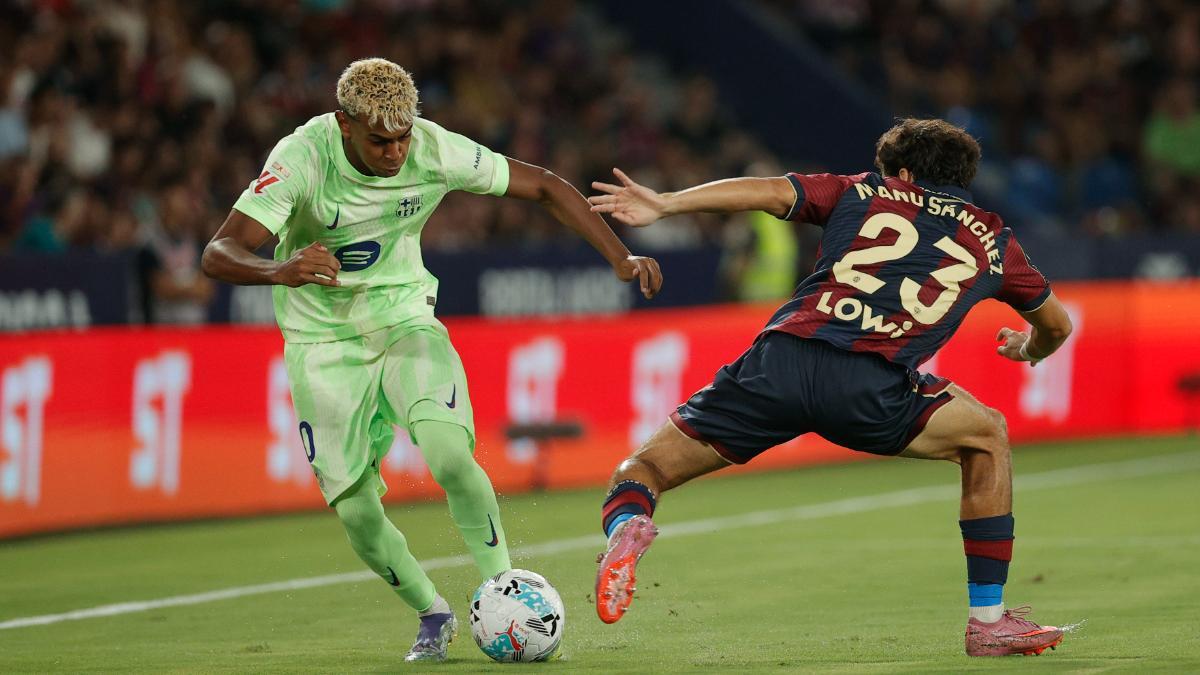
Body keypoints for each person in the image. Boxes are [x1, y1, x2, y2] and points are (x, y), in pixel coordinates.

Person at [202, 58, 662, 662]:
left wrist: (621, 259)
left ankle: (504, 585)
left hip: (404, 318)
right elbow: (219, 252)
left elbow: (546, 186)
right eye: (379, 141)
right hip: (322, 344)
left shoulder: (433, 148)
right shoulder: (302, 158)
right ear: (344, 125)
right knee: (358, 513)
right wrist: (279, 269)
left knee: (448, 454)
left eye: (403, 137)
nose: (396, 153)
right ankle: (432, 611)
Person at [587, 118, 1073, 657]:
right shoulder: (995, 241)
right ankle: (988, 622)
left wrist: (666, 203)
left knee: (644, 469)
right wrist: (1028, 350)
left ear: (905, 174)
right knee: (987, 435)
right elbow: (1058, 326)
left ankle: (628, 526)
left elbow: (769, 192)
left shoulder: (859, 189)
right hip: (872, 388)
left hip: (779, 365)